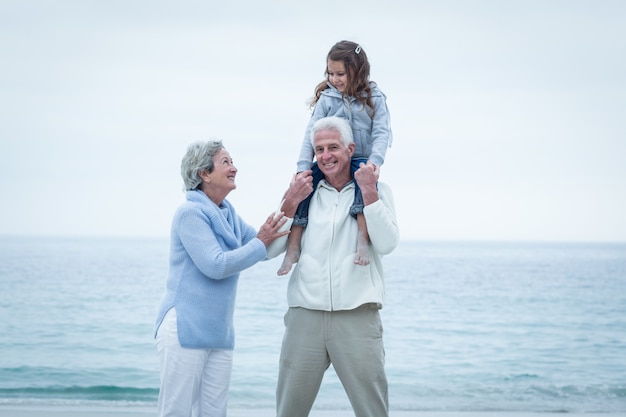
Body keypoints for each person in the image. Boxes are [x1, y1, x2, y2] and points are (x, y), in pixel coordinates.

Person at [153, 140, 311, 417]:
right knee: (176, 412)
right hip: (185, 329)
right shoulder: (190, 213)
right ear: (204, 173)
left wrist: (291, 201)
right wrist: (261, 241)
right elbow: (215, 265)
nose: (234, 168)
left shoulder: (227, 213)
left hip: (219, 333)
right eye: (225, 162)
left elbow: (264, 248)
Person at [274, 116, 400, 417]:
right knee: (289, 411)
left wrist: (369, 193)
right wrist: (289, 203)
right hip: (305, 315)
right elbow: (271, 248)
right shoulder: (303, 191)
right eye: (319, 149)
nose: (326, 156)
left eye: (333, 147)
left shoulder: (378, 190)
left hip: (357, 315)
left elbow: (386, 244)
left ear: (350, 148)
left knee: (372, 411)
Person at [278, 40, 393, 276]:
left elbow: (382, 133)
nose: (335, 79)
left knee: (363, 188)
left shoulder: (375, 98)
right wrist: (302, 168)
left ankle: (363, 240)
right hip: (329, 158)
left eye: (340, 73)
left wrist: (375, 162)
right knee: (303, 189)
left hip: (360, 158)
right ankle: (293, 246)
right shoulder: (328, 99)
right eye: (330, 73)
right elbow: (309, 135)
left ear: (357, 71)